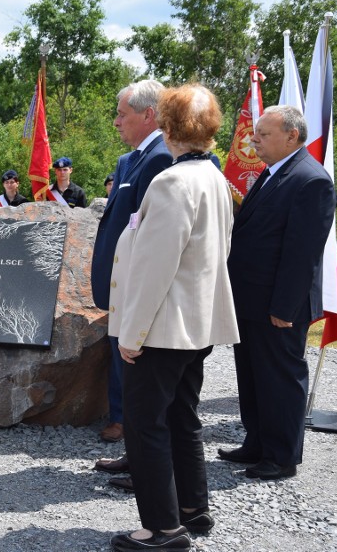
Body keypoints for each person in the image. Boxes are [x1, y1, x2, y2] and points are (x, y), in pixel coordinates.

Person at [108, 84, 239, 551]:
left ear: (166, 127)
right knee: (183, 416)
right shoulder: (214, 178)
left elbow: (155, 267)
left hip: (162, 328)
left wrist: (132, 332)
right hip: (195, 324)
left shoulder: (171, 182)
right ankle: (192, 507)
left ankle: (162, 529)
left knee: (147, 425)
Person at [220, 105, 335, 480]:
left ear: (291, 136)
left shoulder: (310, 180)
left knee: (280, 379)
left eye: (263, 134)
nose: (254, 141)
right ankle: (257, 443)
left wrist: (284, 306)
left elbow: (301, 253)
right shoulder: (271, 173)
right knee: (252, 375)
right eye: (255, 134)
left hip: (278, 305)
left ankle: (282, 456)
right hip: (251, 300)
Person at [91, 79, 172, 448]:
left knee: (134, 354)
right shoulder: (133, 158)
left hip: (136, 279)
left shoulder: (159, 157)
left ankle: (132, 430)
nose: (115, 122)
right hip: (119, 280)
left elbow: (148, 230)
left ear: (149, 114)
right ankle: (125, 422)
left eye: (123, 114)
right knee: (120, 350)